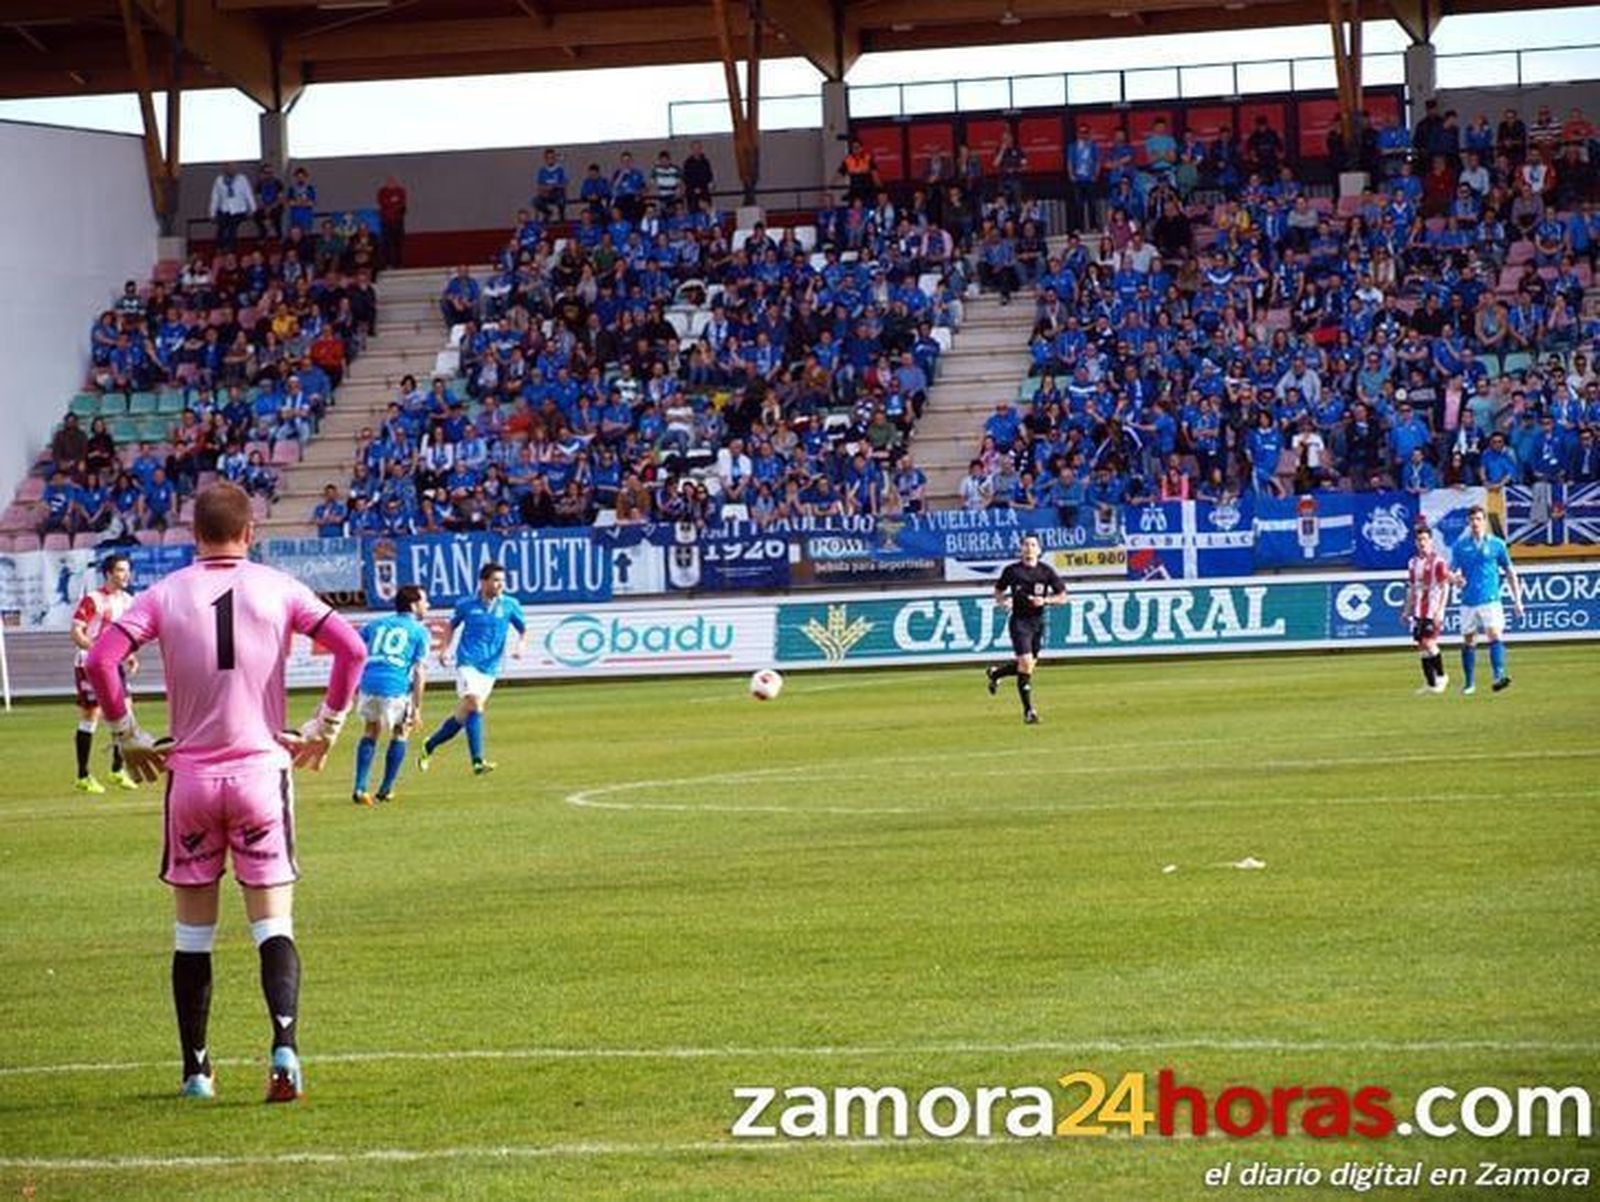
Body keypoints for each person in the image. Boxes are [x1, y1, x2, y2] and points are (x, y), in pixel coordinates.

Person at [82, 483, 367, 1102]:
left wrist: (128, 734)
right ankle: (285, 1046)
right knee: (274, 925)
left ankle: (197, 1071)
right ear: (251, 532)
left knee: (193, 937)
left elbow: (102, 660)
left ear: (194, 535)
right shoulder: (279, 588)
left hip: (191, 778)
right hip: (263, 773)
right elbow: (352, 648)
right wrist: (326, 728)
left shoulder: (164, 593)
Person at [418, 562, 525, 774]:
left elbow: (523, 629)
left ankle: (429, 745)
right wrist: (445, 649)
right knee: (475, 704)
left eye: (503, 581)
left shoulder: (510, 605)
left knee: (464, 715)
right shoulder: (466, 604)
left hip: (491, 667)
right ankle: (478, 761)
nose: (500, 584)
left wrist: (520, 645)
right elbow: (451, 626)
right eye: (496, 580)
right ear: (483, 581)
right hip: (467, 662)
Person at [351, 585, 430, 806]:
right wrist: (417, 707)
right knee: (401, 731)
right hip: (395, 686)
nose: (428, 605)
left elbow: (353, 646)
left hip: (369, 683)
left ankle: (359, 787)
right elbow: (419, 671)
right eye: (425, 601)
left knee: (371, 730)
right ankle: (385, 789)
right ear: (414, 605)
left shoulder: (375, 624)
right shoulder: (419, 631)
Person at [70, 553, 139, 793]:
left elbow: (123, 636)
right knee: (92, 715)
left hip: (114, 665)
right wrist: (97, 651)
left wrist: (128, 654)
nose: (126, 574)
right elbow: (76, 632)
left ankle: (117, 769)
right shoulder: (93, 599)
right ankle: (83, 775)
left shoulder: (129, 601)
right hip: (89, 665)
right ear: (108, 573)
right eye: (120, 570)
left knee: (126, 712)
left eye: (127, 570)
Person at [983, 533, 1067, 725]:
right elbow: (998, 591)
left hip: (1038, 622)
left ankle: (995, 674)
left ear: (1039, 550)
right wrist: (1003, 601)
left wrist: (1045, 600)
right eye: (1026, 544)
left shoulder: (1046, 572)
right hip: (1019, 622)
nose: (1029, 548)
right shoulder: (1012, 571)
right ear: (1021, 549)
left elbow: (1063, 596)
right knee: (1026, 663)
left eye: (1033, 545)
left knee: (1027, 667)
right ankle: (1029, 711)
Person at [1449, 505, 1524, 695]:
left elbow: (1509, 571)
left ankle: (1499, 676)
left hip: (1491, 598)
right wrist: (1455, 579)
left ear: (1484, 521)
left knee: (1495, 634)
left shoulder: (1497, 544)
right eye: (1472, 519)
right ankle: (1469, 683)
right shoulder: (1460, 546)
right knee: (1469, 641)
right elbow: (1450, 571)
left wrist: (1518, 600)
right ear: (1468, 522)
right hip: (1468, 600)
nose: (1475, 523)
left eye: (1478, 519)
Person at [1401, 526, 1450, 696]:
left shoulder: (1438, 562)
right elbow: (1412, 588)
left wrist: (1441, 610)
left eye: (1425, 539)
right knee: (1421, 646)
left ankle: (1442, 676)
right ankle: (1430, 683)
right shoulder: (1413, 563)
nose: (1422, 543)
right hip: (1418, 611)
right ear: (1416, 543)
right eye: (1419, 540)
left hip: (1432, 610)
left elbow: (1445, 586)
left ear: (1431, 541)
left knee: (1429, 643)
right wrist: (1406, 610)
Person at [208, 164, 256, 251]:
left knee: (232, 227)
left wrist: (253, 209)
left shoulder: (242, 179)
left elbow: (248, 194)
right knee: (221, 227)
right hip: (225, 209)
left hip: (239, 210)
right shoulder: (219, 180)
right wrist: (212, 213)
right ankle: (220, 247)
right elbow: (215, 197)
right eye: (228, 168)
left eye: (232, 167)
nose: (230, 169)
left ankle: (231, 248)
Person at [376, 175, 408, 269]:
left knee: (398, 243)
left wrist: (392, 204)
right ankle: (387, 263)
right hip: (386, 221)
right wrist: (393, 202)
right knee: (386, 243)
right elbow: (383, 203)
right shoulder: (382, 191)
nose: (391, 183)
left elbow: (402, 204)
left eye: (393, 181)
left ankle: (398, 264)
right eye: (389, 181)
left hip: (398, 221)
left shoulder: (401, 191)